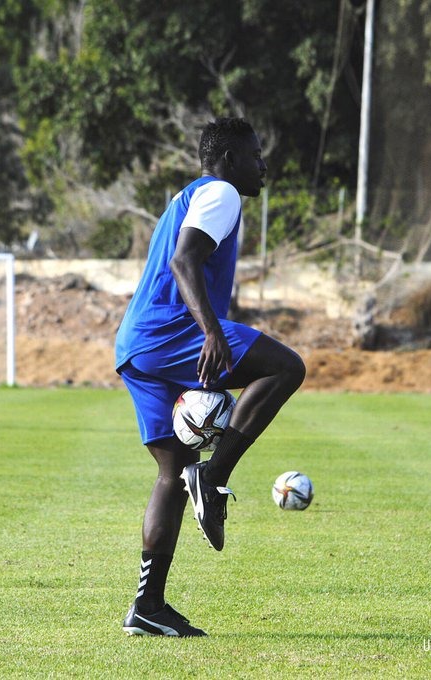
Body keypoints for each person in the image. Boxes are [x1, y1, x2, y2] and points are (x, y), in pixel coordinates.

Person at [115, 117, 305, 637]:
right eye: (256, 154)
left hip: (135, 344)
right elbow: (184, 260)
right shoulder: (222, 193)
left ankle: (147, 607)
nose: (263, 164)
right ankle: (215, 478)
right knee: (286, 366)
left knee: (171, 473)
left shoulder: (187, 196)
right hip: (170, 331)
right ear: (228, 160)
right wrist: (212, 332)